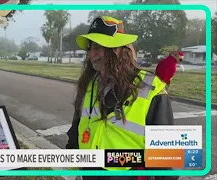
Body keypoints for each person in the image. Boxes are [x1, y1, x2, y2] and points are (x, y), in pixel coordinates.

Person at [65, 16, 179, 180]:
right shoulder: (90, 85)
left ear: (120, 51)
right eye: (90, 48)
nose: (91, 54)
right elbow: (77, 126)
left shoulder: (151, 88)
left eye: (98, 47)